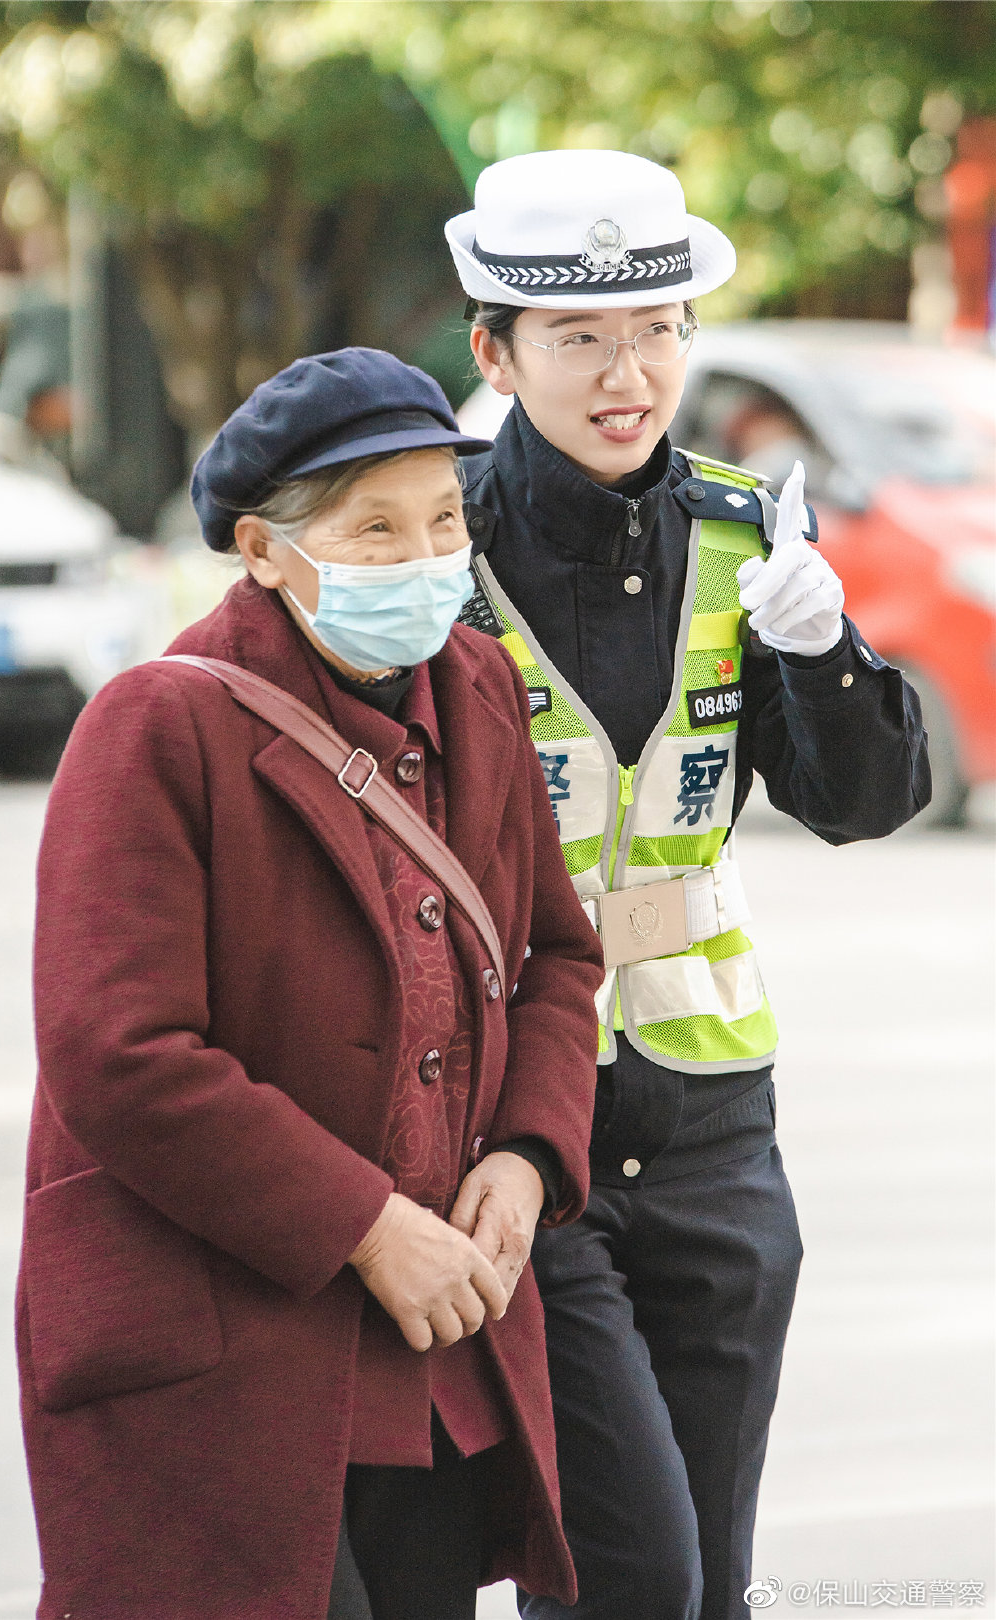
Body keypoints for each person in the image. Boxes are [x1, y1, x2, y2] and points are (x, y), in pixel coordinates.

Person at [16, 347, 605, 1620]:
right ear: (265, 553)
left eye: (445, 518)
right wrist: (365, 1225)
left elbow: (554, 955)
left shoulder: (484, 688)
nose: (425, 556)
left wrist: (527, 1158)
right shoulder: (158, 724)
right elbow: (118, 1053)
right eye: (374, 530)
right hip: (222, 1350)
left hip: (433, 1345)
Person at [444, 150, 931, 1620]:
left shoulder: (746, 537)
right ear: (495, 348)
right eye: (581, 336)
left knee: (703, 1575)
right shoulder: (431, 538)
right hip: (519, 1115)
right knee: (619, 1574)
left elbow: (864, 803)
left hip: (714, 1113)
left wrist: (823, 652)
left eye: (657, 327)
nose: (627, 371)